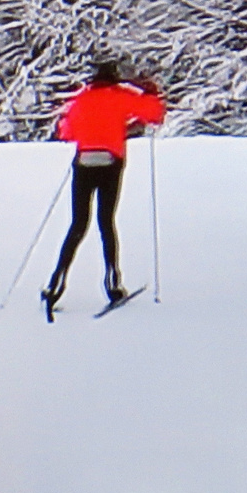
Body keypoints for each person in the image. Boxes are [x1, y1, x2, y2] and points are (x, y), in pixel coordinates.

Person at [42, 62, 166, 314]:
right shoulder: (120, 96)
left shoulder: (81, 99)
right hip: (111, 161)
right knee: (106, 222)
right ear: (115, 79)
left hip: (84, 161)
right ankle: (113, 285)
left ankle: (55, 285)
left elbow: (65, 131)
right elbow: (154, 115)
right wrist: (151, 93)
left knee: (78, 224)